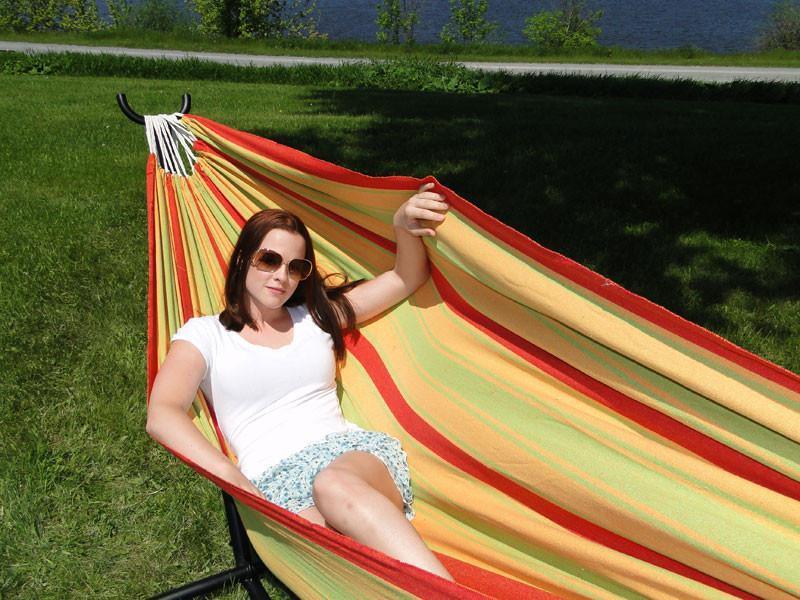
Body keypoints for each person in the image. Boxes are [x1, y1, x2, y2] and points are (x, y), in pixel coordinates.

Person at [146, 181, 455, 582]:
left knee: (333, 485)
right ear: (241, 260)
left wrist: (401, 226)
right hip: (272, 486)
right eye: (269, 259)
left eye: (296, 267)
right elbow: (162, 414)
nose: (282, 276)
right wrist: (239, 485)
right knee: (345, 569)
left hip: (350, 460)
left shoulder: (315, 316)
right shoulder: (204, 336)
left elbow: (406, 277)